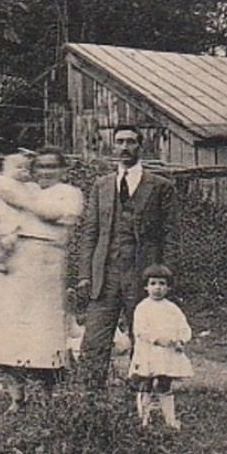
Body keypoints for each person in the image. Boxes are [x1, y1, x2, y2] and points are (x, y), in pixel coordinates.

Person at [0, 147, 83, 408]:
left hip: (47, 263)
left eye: (51, 167)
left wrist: (14, 195)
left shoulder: (69, 194)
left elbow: (51, 213)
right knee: (12, 330)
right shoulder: (27, 189)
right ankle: (17, 395)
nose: (45, 172)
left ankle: (46, 395)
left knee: (43, 330)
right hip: (16, 263)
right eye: (41, 167)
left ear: (63, 170)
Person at [76, 126, 178, 394]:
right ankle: (90, 397)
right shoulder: (101, 185)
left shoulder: (160, 187)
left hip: (142, 274)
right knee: (95, 340)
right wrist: (85, 273)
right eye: (119, 141)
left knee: (143, 336)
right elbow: (90, 232)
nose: (124, 147)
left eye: (130, 142)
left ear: (140, 147)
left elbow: (170, 234)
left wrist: (165, 274)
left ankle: (140, 395)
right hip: (105, 275)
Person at [128, 265, 193, 429]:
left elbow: (183, 327)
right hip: (148, 352)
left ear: (168, 287)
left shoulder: (172, 309)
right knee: (146, 383)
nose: (157, 288)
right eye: (153, 283)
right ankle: (143, 419)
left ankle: (170, 420)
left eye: (162, 284)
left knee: (165, 383)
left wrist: (180, 340)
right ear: (146, 286)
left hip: (166, 353)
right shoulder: (142, 308)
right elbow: (140, 331)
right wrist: (157, 339)